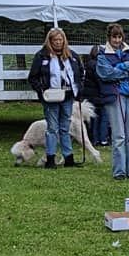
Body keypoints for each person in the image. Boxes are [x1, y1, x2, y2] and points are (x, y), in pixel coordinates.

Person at [27, 28, 85, 169]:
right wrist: (42, 90)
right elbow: (33, 77)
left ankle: (68, 158)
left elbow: (81, 73)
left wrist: (79, 89)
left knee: (65, 127)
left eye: (60, 40)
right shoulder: (42, 56)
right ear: (50, 41)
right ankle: (50, 158)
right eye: (55, 40)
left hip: (68, 95)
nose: (58, 43)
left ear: (64, 40)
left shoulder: (72, 56)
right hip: (51, 97)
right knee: (52, 127)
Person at [96, 23, 129, 181]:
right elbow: (105, 73)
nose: (117, 40)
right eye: (114, 37)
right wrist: (127, 71)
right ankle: (119, 171)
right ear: (109, 38)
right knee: (119, 135)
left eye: (119, 36)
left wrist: (121, 66)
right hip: (115, 96)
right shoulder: (103, 53)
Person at [82, 45, 111, 147]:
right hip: (101, 95)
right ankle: (103, 139)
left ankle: (95, 139)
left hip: (91, 95)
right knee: (104, 116)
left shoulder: (88, 64)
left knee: (95, 118)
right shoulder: (100, 65)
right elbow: (102, 80)